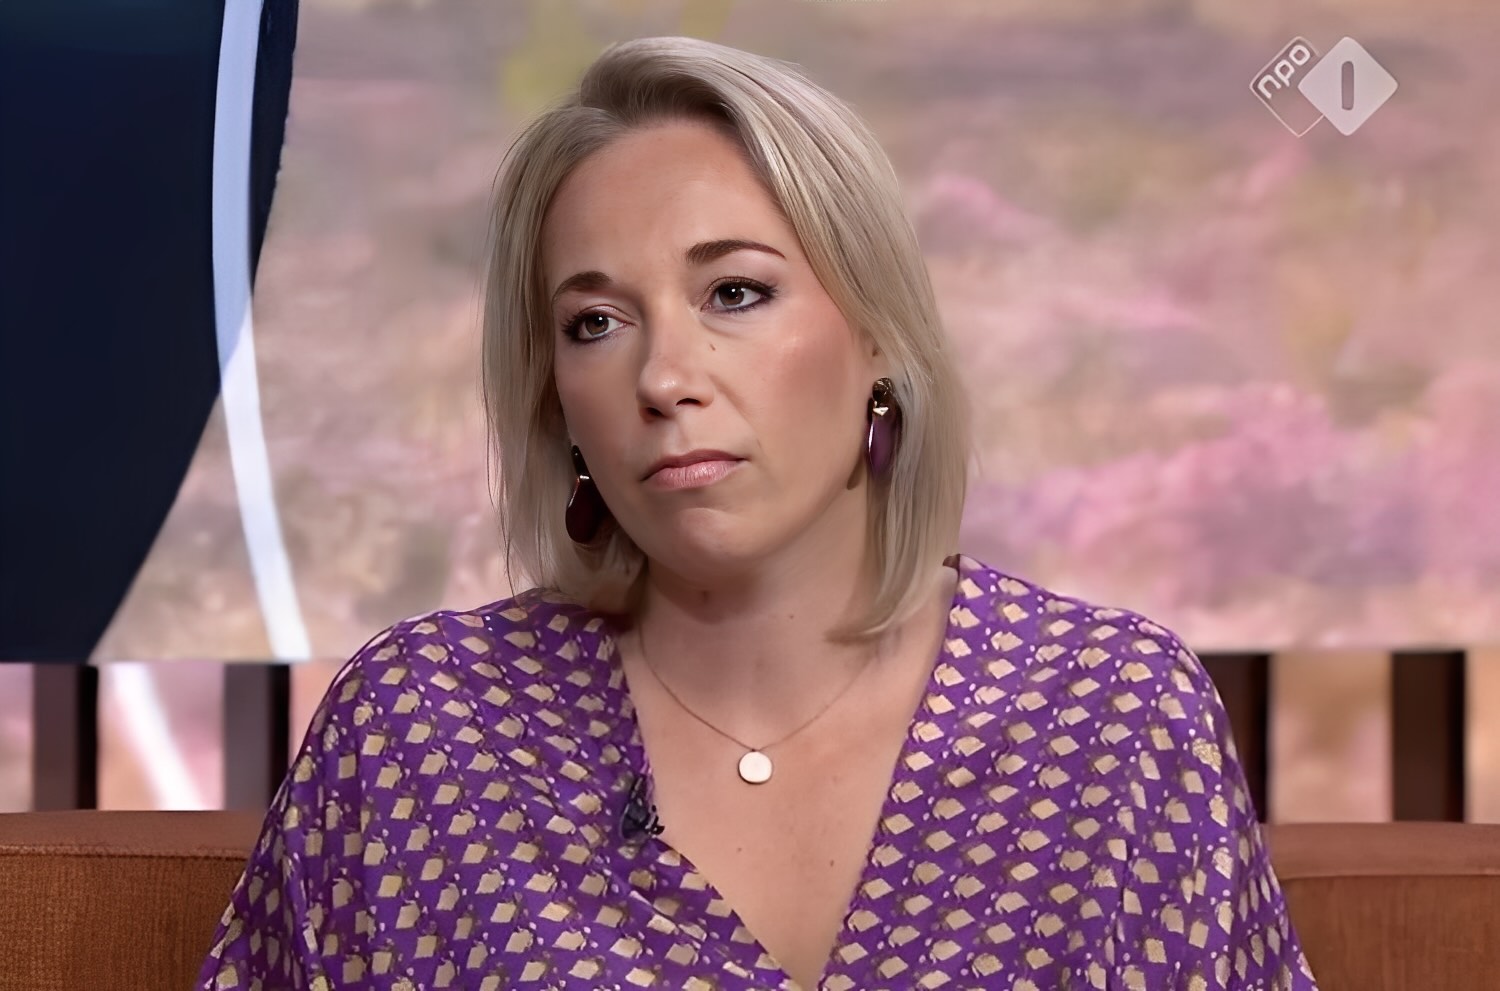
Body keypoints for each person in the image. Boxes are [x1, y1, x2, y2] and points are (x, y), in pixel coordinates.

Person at [197, 35, 1319, 991]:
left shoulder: (1114, 716)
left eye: (734, 292)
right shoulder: (422, 729)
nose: (662, 378)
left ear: (876, 335)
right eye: (596, 323)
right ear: (556, 400)